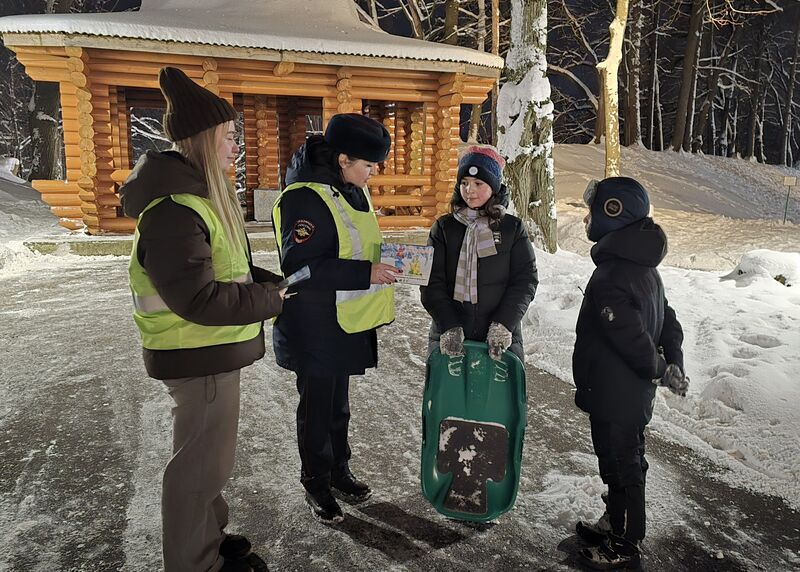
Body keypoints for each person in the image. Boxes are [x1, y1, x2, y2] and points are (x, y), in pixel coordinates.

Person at [120, 66, 285, 572]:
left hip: (204, 351)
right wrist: (272, 301)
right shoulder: (175, 209)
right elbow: (198, 298)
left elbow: (220, 264)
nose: (235, 146)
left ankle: (209, 539)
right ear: (201, 140)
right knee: (199, 467)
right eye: (228, 136)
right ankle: (196, 564)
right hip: (198, 353)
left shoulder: (195, 199)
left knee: (204, 459)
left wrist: (265, 280)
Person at [271, 113, 397, 524]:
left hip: (344, 320)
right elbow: (300, 270)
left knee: (338, 407)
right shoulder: (305, 198)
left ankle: (339, 471)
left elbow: (355, 245)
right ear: (343, 159)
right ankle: (315, 482)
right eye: (368, 165)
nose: (373, 174)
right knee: (317, 410)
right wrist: (366, 273)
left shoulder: (350, 189)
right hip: (312, 325)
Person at [571, 177, 688, 570]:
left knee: (624, 464)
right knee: (617, 460)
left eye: (593, 211)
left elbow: (632, 337)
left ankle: (626, 541)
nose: (588, 218)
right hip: (618, 391)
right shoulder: (641, 266)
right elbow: (668, 320)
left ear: (613, 214)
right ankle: (614, 521)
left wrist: (660, 368)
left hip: (618, 392)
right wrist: (673, 361)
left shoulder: (615, 273)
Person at [420, 144, 538, 363]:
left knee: (498, 397)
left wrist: (503, 324)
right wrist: (449, 326)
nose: (469, 190)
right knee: (449, 396)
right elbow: (431, 281)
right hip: (450, 333)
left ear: (493, 187)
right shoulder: (444, 228)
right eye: (464, 183)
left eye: (478, 183)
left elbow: (525, 280)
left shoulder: (512, 229)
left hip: (498, 338)